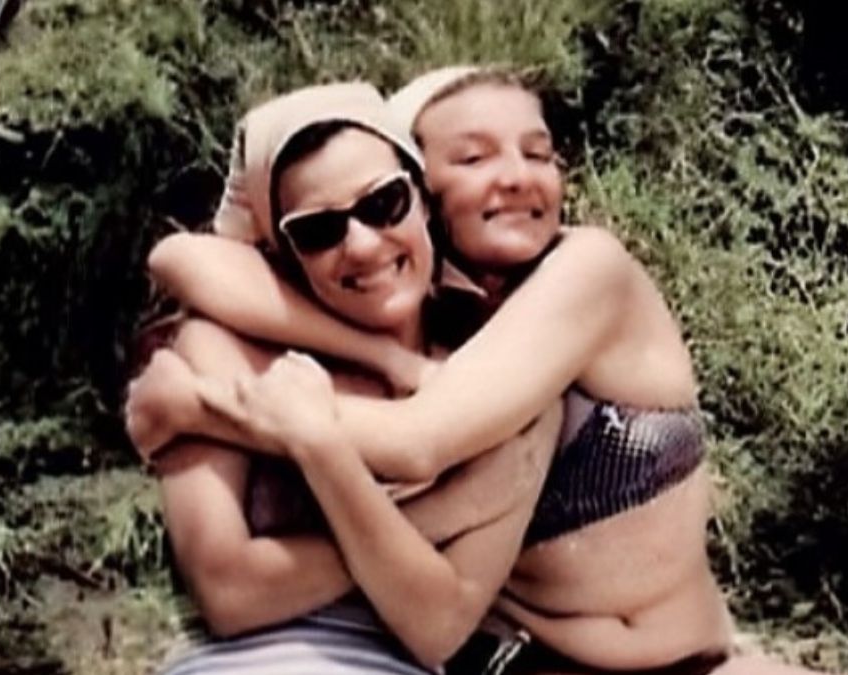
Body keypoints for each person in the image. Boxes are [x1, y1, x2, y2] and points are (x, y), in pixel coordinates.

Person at [134, 68, 822, 674]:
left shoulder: (583, 273)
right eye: (473, 156)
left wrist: (206, 405)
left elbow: (419, 439)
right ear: (429, 193)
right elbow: (182, 258)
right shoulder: (455, 342)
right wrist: (387, 359)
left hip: (694, 658)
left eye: (538, 152)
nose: (518, 176)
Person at [136, 81, 562, 674]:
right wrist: (444, 510)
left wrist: (315, 440)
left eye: (383, 203)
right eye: (318, 231)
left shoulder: (492, 374)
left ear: (424, 202)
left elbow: (439, 625)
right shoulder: (221, 350)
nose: (360, 245)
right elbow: (228, 592)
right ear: (288, 253)